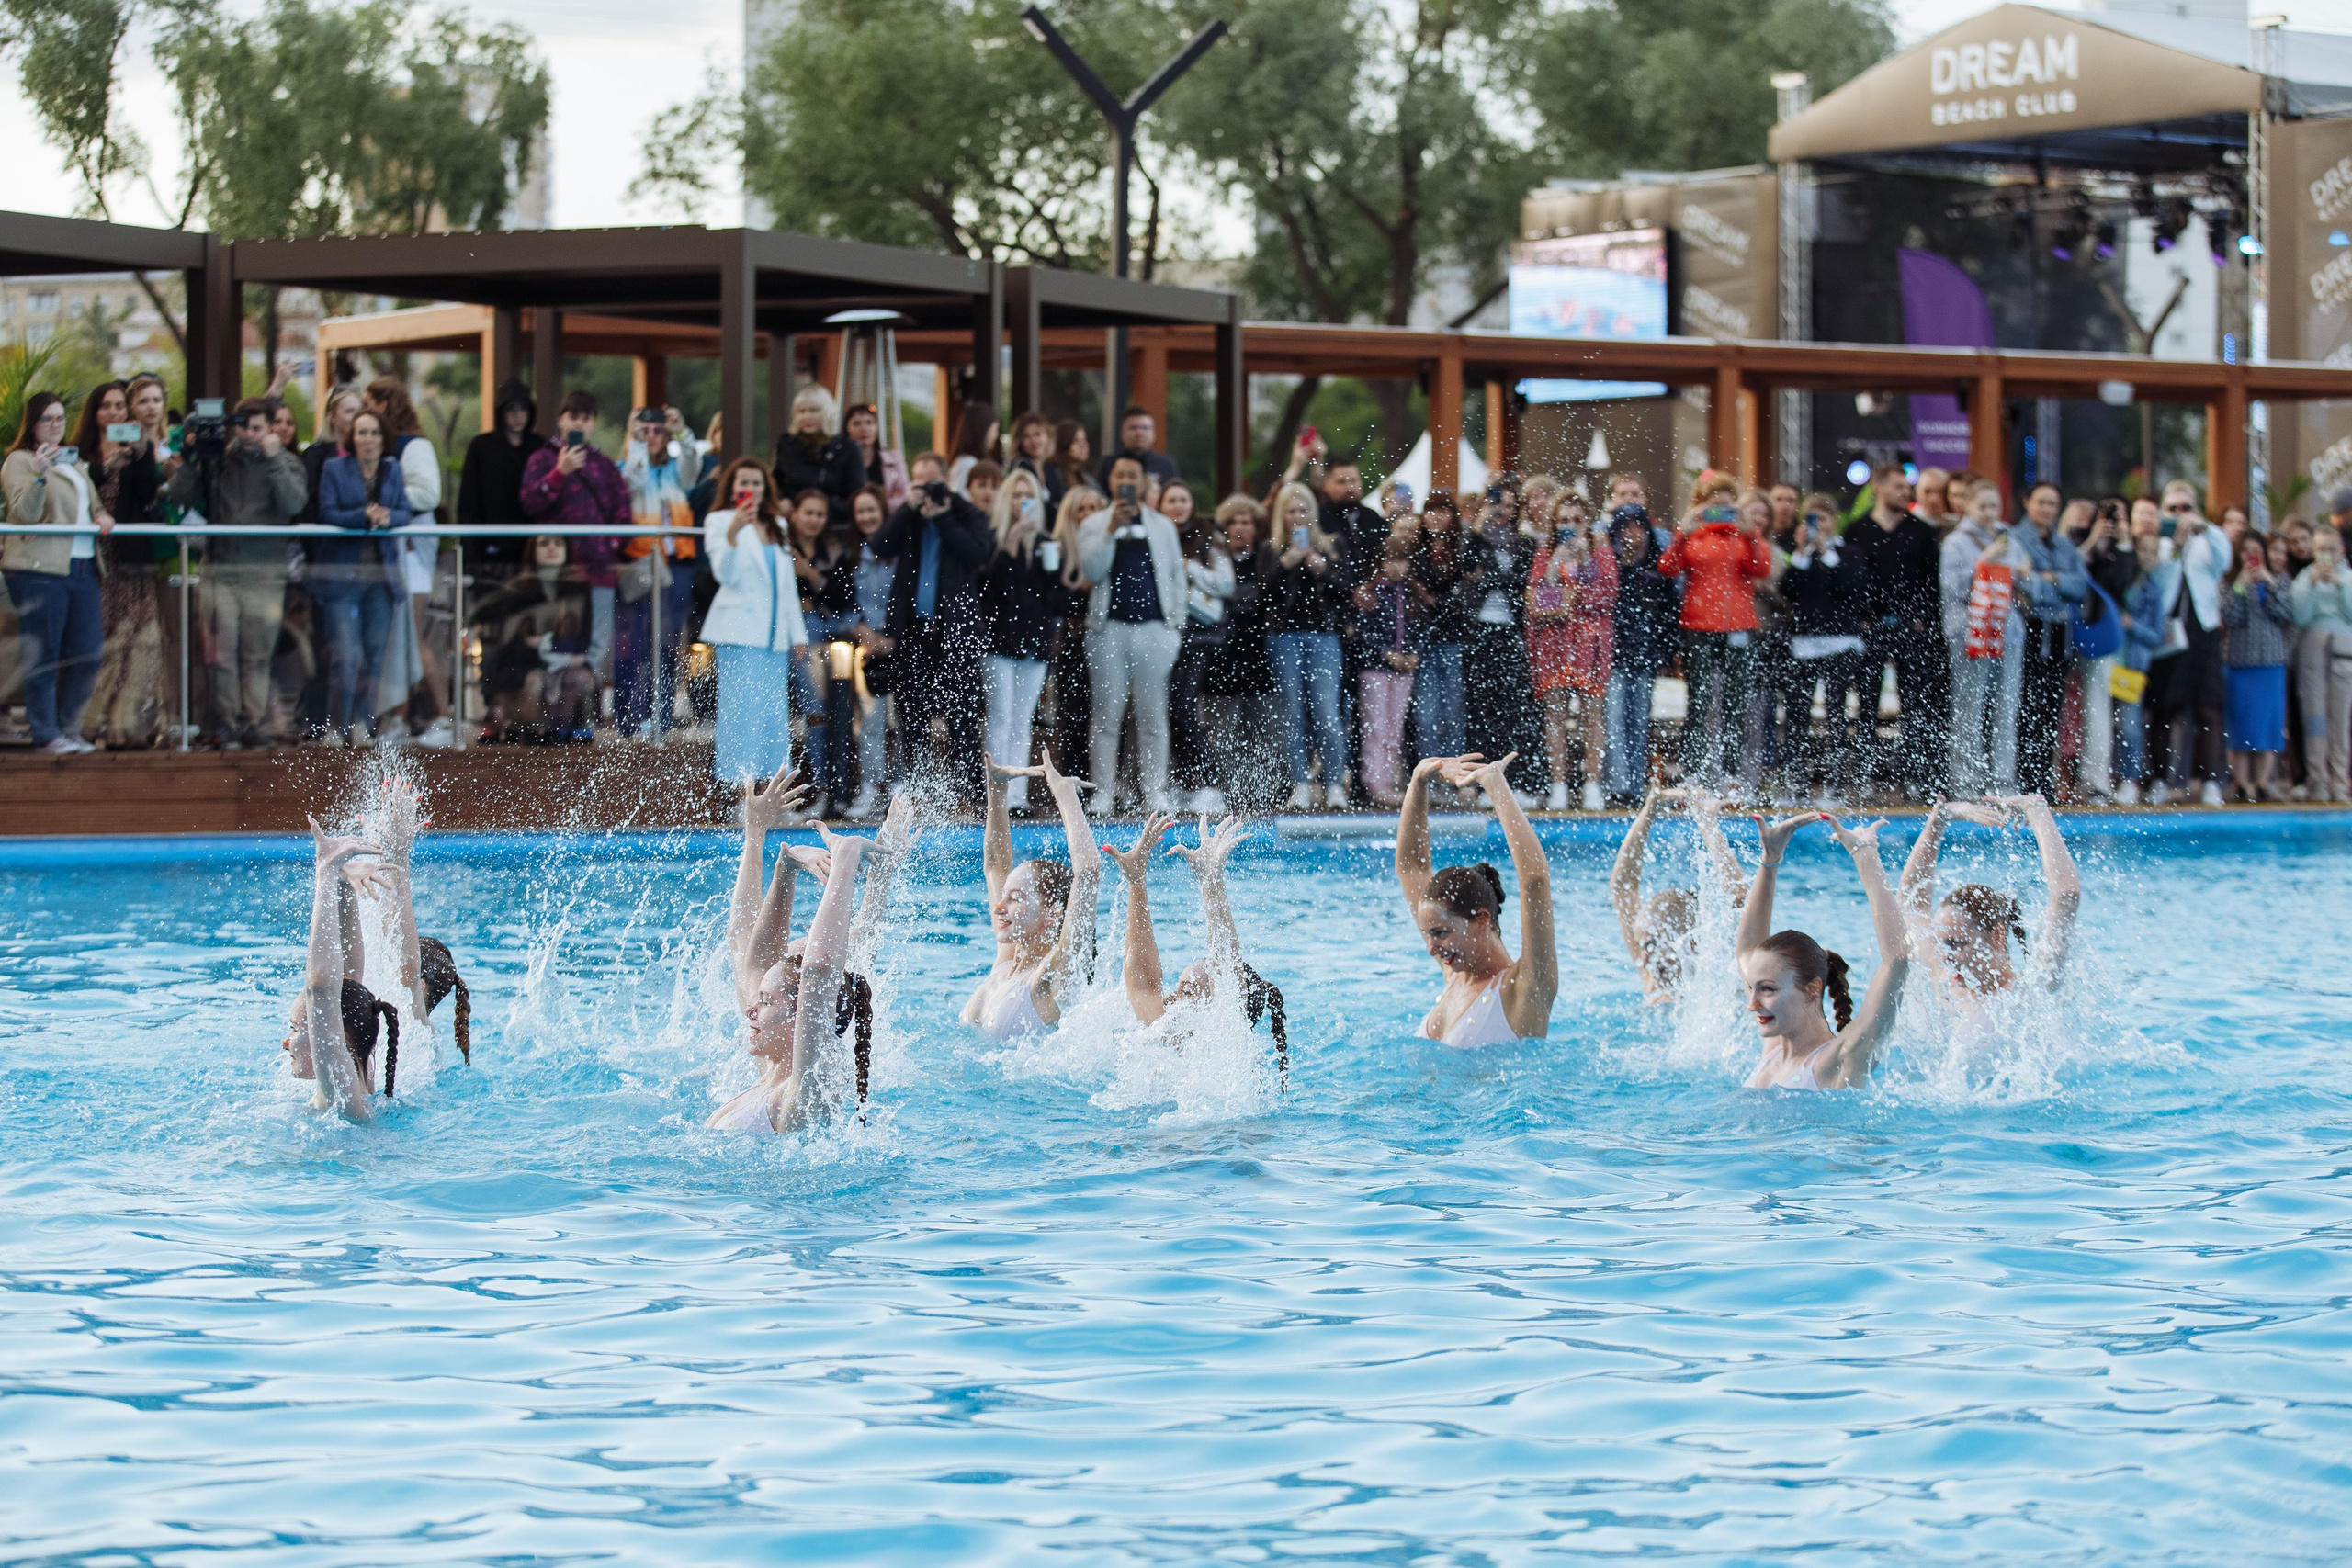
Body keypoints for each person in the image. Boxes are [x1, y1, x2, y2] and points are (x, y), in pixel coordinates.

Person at [713, 768, 911, 1134]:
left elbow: (820, 969)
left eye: (766, 1001)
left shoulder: (803, 1094)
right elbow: (745, 944)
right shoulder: (772, 1067)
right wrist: (780, 862)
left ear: (803, 1014)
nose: (751, 1009)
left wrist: (846, 858)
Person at [164, 396, 306, 749]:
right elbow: (179, 497)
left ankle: (252, 722)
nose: (249, 434)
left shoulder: (287, 462)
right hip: (220, 570)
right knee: (220, 653)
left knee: (257, 654)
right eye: (242, 427)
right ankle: (225, 721)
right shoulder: (219, 461)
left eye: (257, 428)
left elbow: (294, 504)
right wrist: (192, 460)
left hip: (264, 573)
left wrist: (274, 458)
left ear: (271, 428)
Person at [1734, 811, 1911, 1091]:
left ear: (1812, 989)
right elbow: (1747, 951)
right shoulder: (1774, 1051)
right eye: (1751, 988)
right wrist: (1770, 860)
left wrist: (1865, 855)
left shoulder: (1838, 1061)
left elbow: (1897, 959)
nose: (1751, 1002)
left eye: (1767, 989)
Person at [1104, 812, 1287, 1078]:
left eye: (1188, 991)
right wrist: (1136, 882)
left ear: (1221, 1005)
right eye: (1178, 988)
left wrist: (1211, 885)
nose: (1169, 998)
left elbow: (1225, 971)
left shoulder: (1226, 1061)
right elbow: (1143, 984)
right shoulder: (1166, 1038)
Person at [1395, 750, 1557, 1044]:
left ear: (1481, 919)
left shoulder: (1524, 991)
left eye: (1440, 933)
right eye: (1428, 934)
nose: (1431, 948)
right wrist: (1418, 780)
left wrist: (1495, 785)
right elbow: (1411, 868)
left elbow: (1534, 881)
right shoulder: (1454, 974)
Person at [871, 451, 993, 804]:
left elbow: (978, 554)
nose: (926, 488)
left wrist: (943, 518)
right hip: (912, 633)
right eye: (919, 481)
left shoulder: (967, 513)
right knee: (911, 717)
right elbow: (879, 546)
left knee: (962, 717)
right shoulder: (908, 517)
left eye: (932, 481)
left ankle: (968, 795)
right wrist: (907, 510)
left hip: (955, 633)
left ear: (946, 480)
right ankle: (919, 794)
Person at [1077, 453, 1188, 815]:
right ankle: (1103, 793)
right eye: (1119, 475)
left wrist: (1175, 628)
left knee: (1153, 716)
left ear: (1143, 482)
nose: (1126, 480)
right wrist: (1110, 530)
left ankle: (1154, 791)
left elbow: (1176, 576)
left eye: (1132, 475)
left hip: (1155, 629)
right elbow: (1091, 570)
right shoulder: (1093, 524)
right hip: (1108, 629)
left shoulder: (1163, 525)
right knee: (1106, 716)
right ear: (1110, 481)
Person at [963, 750, 1102, 1039]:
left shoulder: (1048, 980)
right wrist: (996, 790)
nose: (999, 906)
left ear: (1052, 914)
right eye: (1005, 896)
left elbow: (1088, 870)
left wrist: (1063, 793)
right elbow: (995, 865)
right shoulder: (1007, 964)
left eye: (1016, 898)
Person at [1898, 793, 2079, 1012]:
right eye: (1941, 944)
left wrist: (2037, 810)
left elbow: (2066, 897)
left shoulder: (2029, 995)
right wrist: (1939, 819)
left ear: (1997, 936)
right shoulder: (1945, 989)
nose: (1944, 957)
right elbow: (1912, 901)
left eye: (1956, 944)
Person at [3, 390, 112, 753]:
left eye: (61, 418)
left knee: (88, 652)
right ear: (32, 424)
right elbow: (24, 515)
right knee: (43, 652)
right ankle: (46, 733)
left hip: (82, 566)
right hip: (40, 568)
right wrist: (38, 474)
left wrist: (103, 516)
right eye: (47, 418)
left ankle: (68, 728)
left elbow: (94, 505)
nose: (55, 425)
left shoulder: (73, 461)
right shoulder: (20, 460)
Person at [278, 814, 399, 1121]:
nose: (285, 1042)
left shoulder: (342, 1100)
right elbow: (348, 979)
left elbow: (321, 987)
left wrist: (326, 873)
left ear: (339, 1040)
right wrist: (343, 887)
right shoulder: (361, 1083)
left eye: (296, 1028)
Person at [1657, 474, 1772, 790]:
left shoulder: (1742, 536)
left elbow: (1761, 568)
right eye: (1713, 502)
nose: (1720, 509)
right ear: (1701, 503)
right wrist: (1682, 533)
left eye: (1726, 503)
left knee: (1735, 704)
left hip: (1740, 626)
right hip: (1697, 627)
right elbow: (1667, 568)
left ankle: (1731, 775)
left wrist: (1750, 533)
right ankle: (1692, 773)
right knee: (1698, 702)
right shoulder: (1693, 535)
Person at [702, 457, 808, 784]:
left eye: (756, 482)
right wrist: (733, 534)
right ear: (732, 487)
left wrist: (797, 634)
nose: (750, 488)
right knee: (741, 715)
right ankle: (740, 791)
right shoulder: (719, 521)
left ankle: (771, 794)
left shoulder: (778, 524)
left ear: (765, 487)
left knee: (773, 716)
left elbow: (787, 585)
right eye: (744, 482)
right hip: (739, 634)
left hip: (773, 636)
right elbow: (724, 575)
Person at [74, 380, 165, 750]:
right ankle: (90, 722)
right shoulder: (82, 452)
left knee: (137, 642)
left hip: (131, 560)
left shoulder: (140, 448)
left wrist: (140, 455)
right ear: (94, 412)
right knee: (102, 642)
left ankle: (124, 725)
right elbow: (79, 494)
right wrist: (104, 468)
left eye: (118, 406)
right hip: (95, 558)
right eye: (106, 406)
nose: (113, 413)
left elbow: (148, 496)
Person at [519, 391, 628, 702]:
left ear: (593, 423)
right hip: (558, 572)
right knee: (557, 638)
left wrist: (610, 545)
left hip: (599, 569)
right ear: (561, 420)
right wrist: (559, 473)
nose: (579, 423)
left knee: (598, 646)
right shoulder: (543, 459)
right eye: (573, 417)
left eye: (585, 418)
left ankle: (587, 711)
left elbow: (622, 511)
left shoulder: (604, 465)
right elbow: (529, 501)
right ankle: (552, 710)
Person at [1848, 463, 1948, 795]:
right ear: (1878, 488)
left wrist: (1924, 619)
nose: (1906, 493)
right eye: (1898, 487)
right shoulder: (1857, 531)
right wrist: (1859, 617)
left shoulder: (1920, 532)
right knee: (1867, 702)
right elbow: (1850, 580)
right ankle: (1866, 773)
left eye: (1908, 488)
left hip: (1910, 628)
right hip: (1871, 627)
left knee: (1914, 703)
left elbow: (1931, 583)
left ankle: (1916, 775)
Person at [314, 409, 413, 743]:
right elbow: (327, 512)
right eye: (362, 432)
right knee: (346, 654)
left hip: (381, 577)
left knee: (374, 654)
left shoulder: (392, 469)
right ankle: (336, 726)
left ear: (383, 439)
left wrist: (388, 518)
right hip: (343, 575)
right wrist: (363, 516)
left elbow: (405, 512)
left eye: (374, 433)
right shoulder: (334, 468)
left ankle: (362, 724)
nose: (368, 439)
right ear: (352, 438)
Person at [361, 378, 446, 748]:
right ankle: (397, 716)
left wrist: (385, 499)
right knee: (398, 639)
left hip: (412, 547)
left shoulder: (415, 445)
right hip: (393, 547)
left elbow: (429, 494)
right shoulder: (388, 444)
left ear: (384, 404)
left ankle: (443, 715)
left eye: (370, 404)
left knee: (412, 636)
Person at [1612, 786, 1749, 1004]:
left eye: (1652, 945)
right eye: (1641, 945)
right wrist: (1650, 809)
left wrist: (1708, 824)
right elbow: (1622, 887)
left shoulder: (1720, 985)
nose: (1643, 959)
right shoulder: (1652, 980)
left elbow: (1740, 899)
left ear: (1691, 942)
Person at [1262, 479, 1351, 810]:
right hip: (1284, 637)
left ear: (1312, 513)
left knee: (1327, 713)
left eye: (1303, 510)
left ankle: (1333, 783)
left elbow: (1347, 592)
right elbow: (1261, 598)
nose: (1297, 516)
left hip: (1324, 637)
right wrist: (1284, 564)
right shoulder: (1271, 550)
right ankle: (1300, 783)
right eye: (1290, 511)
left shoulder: (1332, 545)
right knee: (1292, 713)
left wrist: (1323, 570)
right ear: (1281, 515)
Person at [1526, 491, 1616, 811]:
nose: (1570, 526)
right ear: (1554, 523)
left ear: (1587, 521)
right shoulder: (1545, 552)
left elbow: (1606, 595)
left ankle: (1592, 785)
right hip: (1554, 641)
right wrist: (1555, 566)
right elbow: (1539, 600)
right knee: (1555, 715)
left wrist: (1583, 566)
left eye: (1577, 519)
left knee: (1592, 715)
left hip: (1590, 642)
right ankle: (1559, 785)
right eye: (1563, 520)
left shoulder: (1600, 551)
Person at [613, 404, 698, 739]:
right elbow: (632, 482)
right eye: (645, 431)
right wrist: (635, 441)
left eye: (658, 431)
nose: (651, 436)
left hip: (676, 563)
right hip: (641, 561)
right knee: (634, 642)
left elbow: (692, 470)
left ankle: (660, 718)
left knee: (667, 643)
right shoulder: (624, 467)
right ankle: (628, 720)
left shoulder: (676, 470)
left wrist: (682, 431)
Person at [1779, 494, 1870, 805]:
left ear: (1835, 521)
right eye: (1812, 520)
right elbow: (1787, 590)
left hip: (1841, 644)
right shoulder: (1802, 556)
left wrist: (1826, 552)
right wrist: (1802, 552)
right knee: (1797, 715)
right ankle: (1797, 785)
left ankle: (1835, 786)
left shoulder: (1850, 553)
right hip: (1803, 645)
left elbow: (1850, 585)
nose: (1818, 526)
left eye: (1824, 519)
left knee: (1836, 714)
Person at [979, 468, 1061, 810]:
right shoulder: (992, 539)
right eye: (1016, 495)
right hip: (999, 643)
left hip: (1034, 644)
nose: (1022, 501)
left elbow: (1052, 598)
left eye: (1028, 495)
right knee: (1000, 717)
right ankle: (995, 795)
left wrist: (1055, 563)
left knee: (1022, 720)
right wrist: (1011, 545)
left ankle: (1018, 796)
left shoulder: (1044, 542)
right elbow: (991, 592)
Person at [469, 534, 601, 740]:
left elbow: (583, 636)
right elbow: (509, 643)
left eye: (558, 543)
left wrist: (552, 647)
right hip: (524, 662)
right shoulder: (516, 588)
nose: (552, 548)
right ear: (533, 550)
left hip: (562, 661)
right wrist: (538, 648)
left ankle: (565, 730)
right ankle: (528, 731)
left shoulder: (579, 589)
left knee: (582, 678)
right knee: (535, 680)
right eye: (544, 543)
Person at [1943, 479, 2026, 797]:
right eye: (1983, 506)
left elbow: (2021, 580)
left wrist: (2024, 575)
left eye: (1994, 506)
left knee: (2006, 706)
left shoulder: (2009, 538)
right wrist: (1984, 564)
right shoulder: (1956, 542)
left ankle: (2003, 780)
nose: (1990, 513)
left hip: (2008, 631)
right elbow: (1954, 589)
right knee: (1970, 706)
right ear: (1968, 506)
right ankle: (1966, 780)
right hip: (1971, 633)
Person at [1459, 481, 1541, 803]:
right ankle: (1484, 781)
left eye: (1508, 505)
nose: (1502, 511)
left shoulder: (1524, 543)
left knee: (1515, 709)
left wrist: (1491, 579)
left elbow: (1523, 583)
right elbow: (1464, 568)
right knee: (1483, 709)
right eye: (1497, 504)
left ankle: (1518, 781)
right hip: (1480, 629)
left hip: (1512, 631)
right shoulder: (1476, 538)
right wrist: (1479, 528)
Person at [2008, 482, 2088, 795]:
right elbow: (2023, 586)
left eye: (2053, 503)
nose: (2047, 509)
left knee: (2052, 709)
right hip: (2028, 631)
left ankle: (2042, 781)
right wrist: (2055, 587)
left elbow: (2080, 586)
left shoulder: (2064, 545)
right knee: (2026, 706)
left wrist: (2049, 579)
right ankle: (2023, 780)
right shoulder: (2015, 539)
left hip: (2060, 635)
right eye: (2041, 502)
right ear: (2027, 502)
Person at [2154, 481, 2231, 806]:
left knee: (2208, 707)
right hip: (2167, 631)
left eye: (2186, 508)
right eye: (2173, 508)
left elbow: (2224, 560)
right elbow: (2160, 576)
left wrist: (2205, 529)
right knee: (2164, 707)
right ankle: (2159, 780)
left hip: (2202, 630)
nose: (2180, 514)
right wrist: (2175, 543)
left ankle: (2213, 781)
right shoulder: (2160, 542)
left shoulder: (2208, 540)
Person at [786, 485, 861, 813]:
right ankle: (815, 789)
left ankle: (830, 790)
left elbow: (842, 596)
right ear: (794, 514)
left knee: (830, 712)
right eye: (808, 513)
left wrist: (809, 574)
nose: (814, 520)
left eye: (820, 514)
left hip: (827, 636)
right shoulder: (779, 547)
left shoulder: (833, 551)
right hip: (793, 637)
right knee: (814, 711)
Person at [1204, 496, 1282, 809]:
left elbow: (1273, 596)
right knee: (1221, 731)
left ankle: (1262, 793)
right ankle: (1226, 791)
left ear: (1256, 527)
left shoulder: (1265, 559)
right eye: (1233, 522)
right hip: (1221, 655)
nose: (1239, 528)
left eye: (1246, 522)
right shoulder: (1213, 560)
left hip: (1259, 655)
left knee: (1262, 730)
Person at [1603, 503, 1677, 805]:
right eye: (1626, 527)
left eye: (1638, 526)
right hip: (1614, 656)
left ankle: (1635, 785)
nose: (1632, 534)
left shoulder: (1657, 566)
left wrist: (1666, 653)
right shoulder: (1610, 563)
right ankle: (1617, 784)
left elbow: (1668, 613)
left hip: (1645, 655)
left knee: (1639, 721)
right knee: (1615, 720)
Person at [1170, 484, 1235, 814]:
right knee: (1170, 710)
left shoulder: (1207, 535)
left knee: (1184, 707)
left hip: (1199, 636)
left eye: (1183, 499)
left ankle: (1211, 783)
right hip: (1166, 635)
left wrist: (1187, 566)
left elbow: (1226, 584)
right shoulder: (1154, 534)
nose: (1178, 505)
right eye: (1171, 500)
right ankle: (1186, 784)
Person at [2221, 529, 2295, 803]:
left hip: (2270, 663)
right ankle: (2241, 783)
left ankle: (2263, 783)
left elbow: (2286, 612)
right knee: (2241, 725)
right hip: (2240, 663)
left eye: (2256, 551)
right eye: (2246, 551)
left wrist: (2269, 583)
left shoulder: (2280, 580)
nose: (2252, 556)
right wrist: (2241, 585)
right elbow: (2229, 615)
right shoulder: (2230, 583)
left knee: (2268, 725)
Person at [2112, 497, 2176, 804]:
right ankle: (2102, 778)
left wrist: (2131, 625)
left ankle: (2129, 779)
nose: (2147, 556)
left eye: (2153, 552)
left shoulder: (2153, 591)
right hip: (2108, 658)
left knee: (2128, 725)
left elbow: (2155, 636)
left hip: (2132, 664)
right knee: (2101, 722)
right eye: (2143, 550)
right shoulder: (2119, 578)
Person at [2075, 498, 2138, 802]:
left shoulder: (2122, 551)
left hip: (2099, 637)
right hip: (2067, 631)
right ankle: (2060, 777)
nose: (2111, 522)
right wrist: (2091, 540)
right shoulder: (2078, 540)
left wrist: (2123, 541)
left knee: (2098, 707)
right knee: (2066, 710)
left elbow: (2122, 581)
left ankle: (2095, 779)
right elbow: (2073, 570)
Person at [1354, 534, 1423, 808]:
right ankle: (1374, 782)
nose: (1398, 566)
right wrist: (1386, 653)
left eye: (1403, 560)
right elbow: (1364, 632)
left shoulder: (1413, 593)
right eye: (1392, 560)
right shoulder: (1372, 592)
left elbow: (1420, 627)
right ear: (1382, 562)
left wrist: (1415, 653)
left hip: (1403, 671)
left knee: (1395, 727)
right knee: (1376, 726)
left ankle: (1389, 780)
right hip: (1376, 669)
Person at [1409, 493, 1474, 785]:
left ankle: (1457, 778)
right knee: (1426, 717)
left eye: (1443, 511)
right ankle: (1430, 780)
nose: (1436, 517)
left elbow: (1464, 593)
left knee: (1454, 715)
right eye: (1431, 511)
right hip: (1423, 643)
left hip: (1453, 640)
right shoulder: (1416, 550)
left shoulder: (1462, 548)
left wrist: (1434, 599)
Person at [455, 379, 547, 578]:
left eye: (523, 409)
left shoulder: (541, 447)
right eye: (511, 409)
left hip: (531, 550)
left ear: (530, 412)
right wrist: (470, 555)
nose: (517, 415)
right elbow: (469, 502)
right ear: (501, 413)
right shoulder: (481, 447)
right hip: (490, 549)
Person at [845, 482, 898, 817]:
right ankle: (871, 786)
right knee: (871, 722)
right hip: (865, 647)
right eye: (860, 511)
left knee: (903, 719)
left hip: (898, 644)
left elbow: (907, 597)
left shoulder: (900, 552)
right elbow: (843, 599)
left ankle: (900, 788)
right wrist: (861, 630)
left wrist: (893, 637)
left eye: (871, 510)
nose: (866, 516)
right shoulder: (851, 554)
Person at [2292, 525, 2352, 803]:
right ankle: (2317, 779)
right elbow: (2299, 615)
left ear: (2341, 550)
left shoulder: (2348, 577)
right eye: (2321, 550)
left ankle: (2340, 780)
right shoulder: (2305, 578)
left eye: (2331, 549)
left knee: (2341, 718)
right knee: (2314, 715)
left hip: (2343, 647)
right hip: (2313, 644)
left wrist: (2340, 585)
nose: (2326, 555)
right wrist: (2313, 586)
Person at [771, 384, 866, 529]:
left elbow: (857, 496)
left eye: (814, 410)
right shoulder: (787, 444)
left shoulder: (847, 447)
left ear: (828, 412)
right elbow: (775, 484)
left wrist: (817, 509)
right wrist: (783, 502)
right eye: (801, 411)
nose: (807, 416)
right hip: (794, 524)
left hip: (836, 525)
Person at [1094, 404, 1180, 490]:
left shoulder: (1166, 465)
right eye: (1133, 428)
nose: (1139, 433)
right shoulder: (1108, 464)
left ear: (1153, 434)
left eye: (1145, 428)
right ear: (1122, 433)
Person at [843, 401, 906, 513]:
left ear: (876, 427)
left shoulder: (894, 459)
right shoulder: (839, 461)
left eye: (869, 423)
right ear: (847, 428)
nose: (864, 428)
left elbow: (904, 497)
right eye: (857, 424)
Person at [1007, 410, 1064, 513]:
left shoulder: (1049, 467)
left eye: (1037, 434)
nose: (1033, 441)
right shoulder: (1020, 465)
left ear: (1048, 436)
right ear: (1020, 441)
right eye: (1027, 436)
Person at [947, 401, 999, 495]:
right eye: (995, 429)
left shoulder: (966, 461)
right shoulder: (968, 463)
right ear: (984, 430)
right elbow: (961, 497)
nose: (996, 435)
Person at [1049, 419, 1093, 504]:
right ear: (1064, 443)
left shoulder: (1084, 477)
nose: (1083, 445)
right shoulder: (1053, 474)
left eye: (1084, 440)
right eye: (1075, 441)